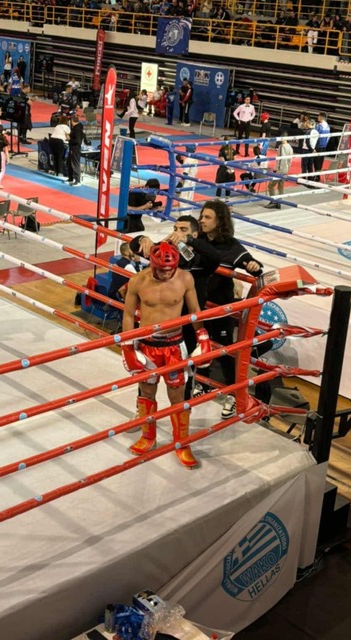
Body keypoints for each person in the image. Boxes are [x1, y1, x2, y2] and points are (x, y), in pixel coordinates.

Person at [121, 242, 211, 468]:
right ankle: (148, 437)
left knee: (177, 395)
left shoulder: (185, 279)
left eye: (169, 270)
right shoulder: (138, 281)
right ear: (152, 264)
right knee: (146, 391)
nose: (166, 274)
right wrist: (128, 347)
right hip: (147, 345)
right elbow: (129, 315)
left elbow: (195, 311)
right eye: (161, 270)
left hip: (174, 345)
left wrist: (202, 337)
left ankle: (182, 443)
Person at [194, 200, 264, 419]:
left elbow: (254, 266)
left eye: (207, 217)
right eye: (202, 216)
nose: (202, 221)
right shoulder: (197, 240)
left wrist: (253, 266)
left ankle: (234, 394)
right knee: (200, 345)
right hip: (199, 305)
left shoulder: (231, 246)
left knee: (224, 350)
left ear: (220, 221)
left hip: (220, 308)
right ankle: (202, 383)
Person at [264, 135, 293, 209]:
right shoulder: (288, 147)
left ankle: (273, 201)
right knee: (280, 187)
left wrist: (277, 169)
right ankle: (279, 202)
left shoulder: (282, 147)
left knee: (271, 185)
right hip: (284, 170)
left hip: (280, 170)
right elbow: (288, 161)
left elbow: (282, 160)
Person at [67, 114, 89, 186]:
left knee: (75, 163)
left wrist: (69, 139)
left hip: (75, 148)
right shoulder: (75, 128)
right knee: (69, 163)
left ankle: (77, 180)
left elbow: (77, 141)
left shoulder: (77, 129)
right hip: (72, 147)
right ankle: (71, 178)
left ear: (72, 121)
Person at [313, 111, 331, 181]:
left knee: (316, 161)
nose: (317, 117)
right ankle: (318, 176)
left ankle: (316, 176)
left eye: (318, 116)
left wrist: (314, 147)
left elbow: (314, 136)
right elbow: (328, 137)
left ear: (320, 117)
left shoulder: (319, 126)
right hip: (324, 146)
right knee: (320, 161)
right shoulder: (328, 126)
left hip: (318, 145)